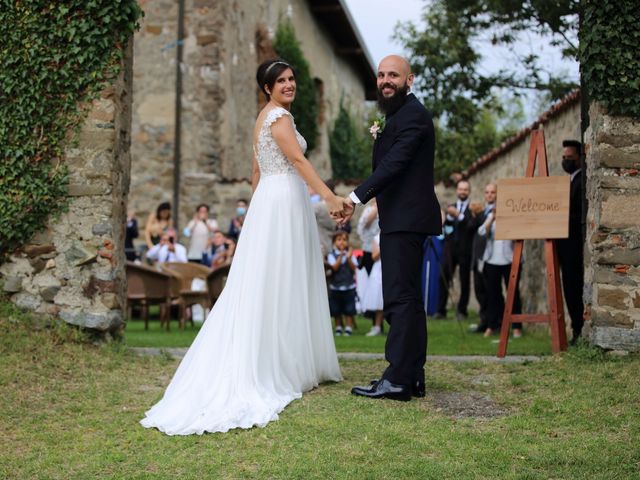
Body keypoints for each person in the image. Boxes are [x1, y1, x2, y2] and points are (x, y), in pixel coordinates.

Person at [140, 59, 343, 435]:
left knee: (276, 278)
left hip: (272, 201)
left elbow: (255, 172)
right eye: (280, 81)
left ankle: (291, 359)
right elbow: (297, 159)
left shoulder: (265, 117)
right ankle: (277, 364)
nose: (289, 85)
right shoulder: (277, 118)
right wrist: (328, 196)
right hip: (281, 200)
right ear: (266, 87)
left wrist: (256, 216)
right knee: (281, 278)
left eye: (291, 79)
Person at [341, 55, 442, 402]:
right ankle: (412, 375)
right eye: (381, 75)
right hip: (401, 218)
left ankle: (397, 378)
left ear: (409, 79)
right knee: (409, 300)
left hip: (407, 219)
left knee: (399, 299)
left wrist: (355, 197)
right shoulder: (396, 116)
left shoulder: (413, 117)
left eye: (393, 75)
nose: (386, 80)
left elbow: (394, 165)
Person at [477, 190, 523, 338]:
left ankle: (516, 327)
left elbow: (519, 234)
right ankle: (492, 325)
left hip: (510, 259)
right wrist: (492, 218)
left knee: (513, 293)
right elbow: (481, 232)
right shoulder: (491, 213)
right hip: (492, 260)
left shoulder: (512, 214)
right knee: (492, 294)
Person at [558, 139, 584, 344]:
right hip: (565, 248)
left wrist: (560, 217)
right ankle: (576, 329)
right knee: (569, 289)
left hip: (574, 247)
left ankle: (579, 330)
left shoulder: (581, 182)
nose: (566, 161)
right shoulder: (569, 181)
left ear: (579, 158)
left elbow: (578, 215)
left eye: (570, 158)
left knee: (574, 289)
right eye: (564, 158)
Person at [439, 180, 475, 320]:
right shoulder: (451, 207)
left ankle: (462, 311)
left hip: (466, 250)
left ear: (469, 191)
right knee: (443, 277)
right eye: (460, 189)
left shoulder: (472, 209)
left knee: (464, 280)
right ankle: (440, 310)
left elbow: (471, 226)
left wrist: (458, 215)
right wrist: (447, 217)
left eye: (465, 189)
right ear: (457, 191)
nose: (462, 192)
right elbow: (446, 227)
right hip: (450, 249)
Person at [467, 183, 497, 333]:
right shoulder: (482, 212)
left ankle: (494, 322)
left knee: (491, 292)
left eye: (492, 192)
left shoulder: (497, 212)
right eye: (487, 192)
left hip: (492, 258)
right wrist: (475, 214)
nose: (490, 195)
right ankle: (484, 321)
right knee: (480, 292)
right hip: (478, 258)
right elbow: (471, 228)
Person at [327, 231, 358, 336]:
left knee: (349, 308)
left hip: (349, 287)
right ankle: (338, 327)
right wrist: (340, 256)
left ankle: (349, 327)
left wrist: (348, 257)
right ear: (334, 242)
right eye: (339, 240)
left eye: (344, 240)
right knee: (336, 309)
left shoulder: (350, 255)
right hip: (335, 287)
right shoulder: (332, 255)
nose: (342, 242)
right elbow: (334, 267)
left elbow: (354, 268)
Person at [362, 234, 384, 336]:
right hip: (379, 271)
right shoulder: (377, 238)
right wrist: (384, 247)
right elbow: (374, 256)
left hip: (392, 267)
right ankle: (377, 327)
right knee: (378, 299)